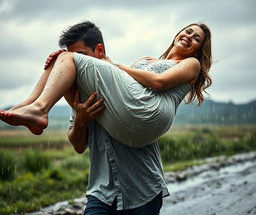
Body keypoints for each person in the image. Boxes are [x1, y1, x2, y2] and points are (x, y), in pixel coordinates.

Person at [0, 21, 212, 148]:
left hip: (147, 112)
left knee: (65, 58)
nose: (189, 36)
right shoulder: (145, 60)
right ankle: (29, 107)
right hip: (106, 180)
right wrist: (80, 116)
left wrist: (114, 65)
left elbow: (159, 82)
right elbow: (79, 146)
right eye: (187, 31)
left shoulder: (190, 63)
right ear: (177, 34)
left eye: (196, 38)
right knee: (62, 60)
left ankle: (37, 108)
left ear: (198, 49)